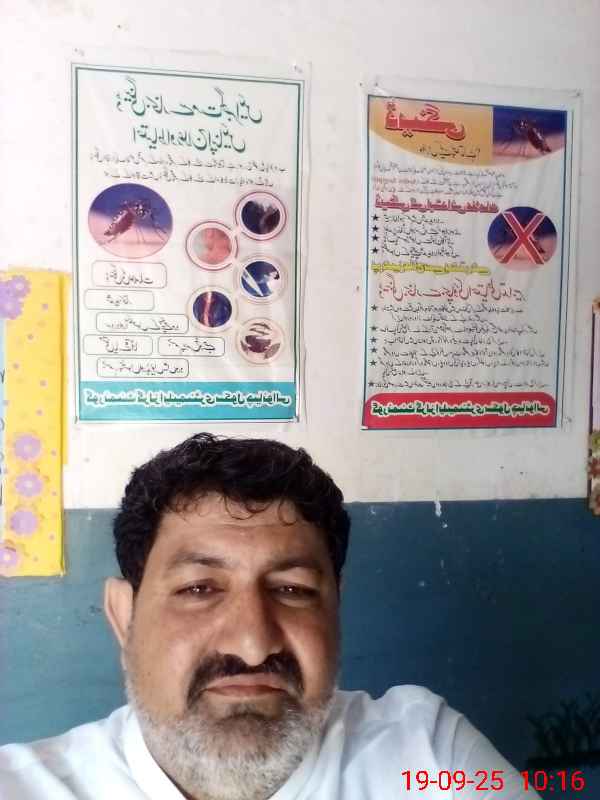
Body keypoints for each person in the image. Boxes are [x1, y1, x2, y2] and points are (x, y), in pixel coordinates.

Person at [0, 434, 538, 799]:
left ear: (335, 607)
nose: (253, 644)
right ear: (124, 616)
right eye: (199, 588)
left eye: (292, 590)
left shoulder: (430, 760)